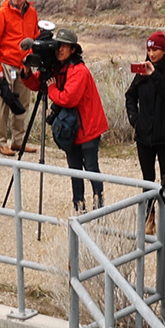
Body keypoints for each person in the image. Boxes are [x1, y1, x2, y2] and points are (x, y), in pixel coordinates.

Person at [41, 30, 107, 210]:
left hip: (88, 128)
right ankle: (79, 206)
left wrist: (52, 88)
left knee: (91, 168)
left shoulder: (79, 71)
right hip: (73, 129)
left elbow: (68, 98)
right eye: (58, 45)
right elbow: (38, 84)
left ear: (73, 49)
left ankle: (98, 206)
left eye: (64, 46)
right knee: (74, 169)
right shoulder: (58, 68)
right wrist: (25, 72)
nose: (60, 49)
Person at [0, 0, 40, 150]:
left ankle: (18, 141)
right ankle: (1, 143)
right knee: (3, 105)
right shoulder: (1, 14)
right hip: (6, 65)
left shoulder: (32, 13)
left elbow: (35, 37)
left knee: (23, 104)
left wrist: (31, 58)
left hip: (24, 66)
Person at [124, 30, 165, 195]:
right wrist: (135, 119)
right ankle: (149, 217)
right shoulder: (142, 72)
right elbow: (130, 96)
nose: (151, 54)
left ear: (164, 50)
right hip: (144, 136)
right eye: (149, 50)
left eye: (155, 50)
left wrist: (154, 75)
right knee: (147, 179)